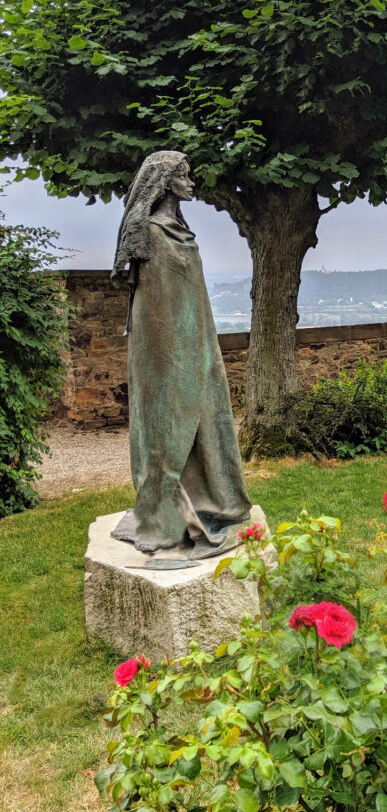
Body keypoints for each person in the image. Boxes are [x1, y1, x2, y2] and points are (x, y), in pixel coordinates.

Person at [109, 150, 252, 558]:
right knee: (172, 422)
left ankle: (216, 499)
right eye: (184, 176)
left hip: (196, 348)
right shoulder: (152, 236)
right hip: (168, 354)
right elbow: (156, 310)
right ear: (166, 183)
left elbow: (191, 304)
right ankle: (168, 516)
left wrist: (201, 353)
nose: (191, 183)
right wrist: (178, 358)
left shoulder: (176, 232)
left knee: (208, 418)